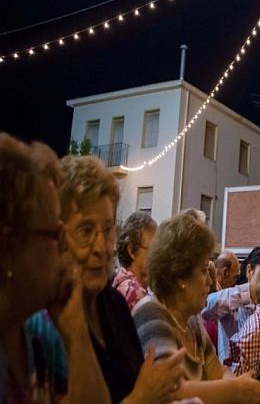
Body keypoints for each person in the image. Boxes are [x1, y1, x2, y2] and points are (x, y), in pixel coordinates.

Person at [60, 155, 186, 403]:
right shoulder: (44, 320)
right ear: (58, 234)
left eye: (107, 230)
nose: (101, 247)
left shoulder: (114, 304)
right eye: (86, 230)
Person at [0, 134, 110, 403]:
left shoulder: (37, 341)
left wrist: (77, 332)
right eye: (55, 233)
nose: (65, 247)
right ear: (9, 246)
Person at [133, 213, 260, 403]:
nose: (211, 280)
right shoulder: (151, 313)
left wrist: (247, 390)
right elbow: (169, 390)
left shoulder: (191, 321)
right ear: (180, 275)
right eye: (204, 270)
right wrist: (237, 389)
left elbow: (218, 373)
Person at [202, 246, 260, 365]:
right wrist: (248, 293)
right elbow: (206, 307)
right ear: (249, 271)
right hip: (231, 378)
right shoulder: (235, 295)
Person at [113, 211, 157, 311]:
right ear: (132, 251)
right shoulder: (134, 293)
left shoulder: (120, 283)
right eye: (153, 249)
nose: (157, 256)